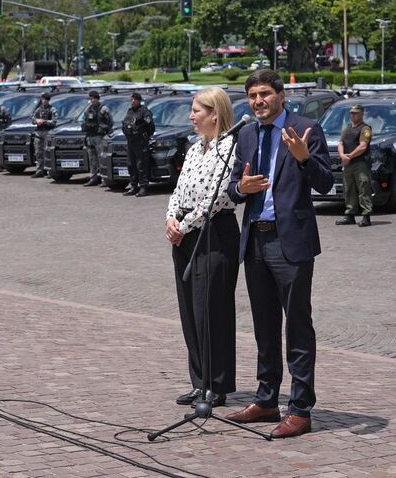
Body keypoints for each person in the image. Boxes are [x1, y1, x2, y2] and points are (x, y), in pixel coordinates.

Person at [225, 69, 333, 439]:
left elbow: (325, 182)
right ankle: (267, 398)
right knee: (264, 326)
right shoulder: (246, 133)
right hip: (255, 239)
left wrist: (303, 157)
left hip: (292, 243)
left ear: (281, 95)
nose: (258, 102)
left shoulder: (306, 129)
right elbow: (234, 188)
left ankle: (300, 409)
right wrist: (240, 186)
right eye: (253, 95)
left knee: (298, 325)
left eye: (265, 94)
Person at [165, 87, 239, 409]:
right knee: (190, 311)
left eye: (197, 111)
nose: (191, 116)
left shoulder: (229, 148)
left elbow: (217, 196)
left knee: (211, 310)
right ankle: (199, 381)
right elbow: (178, 189)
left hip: (214, 233)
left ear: (215, 115)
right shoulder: (195, 149)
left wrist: (185, 224)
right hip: (185, 234)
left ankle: (217, 385)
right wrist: (170, 218)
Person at [336, 104, 372, 227]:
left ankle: (366, 216)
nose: (353, 115)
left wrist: (349, 156)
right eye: (352, 113)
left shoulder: (365, 129)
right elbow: (340, 142)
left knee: (363, 189)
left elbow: (363, 146)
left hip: (360, 164)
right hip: (348, 164)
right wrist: (342, 155)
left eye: (356, 113)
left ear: (362, 114)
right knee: (349, 189)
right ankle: (350, 215)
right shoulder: (347, 128)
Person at [121, 92, 155, 197]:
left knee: (141, 165)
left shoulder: (144, 112)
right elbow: (125, 124)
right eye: (131, 99)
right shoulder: (130, 111)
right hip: (131, 142)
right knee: (131, 165)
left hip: (141, 142)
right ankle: (133, 186)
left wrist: (144, 136)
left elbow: (151, 127)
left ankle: (143, 187)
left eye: (134, 100)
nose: (132, 101)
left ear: (139, 100)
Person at [81, 90, 113, 186]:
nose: (92, 100)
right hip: (90, 137)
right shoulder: (88, 109)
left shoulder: (104, 109)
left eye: (94, 98)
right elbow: (83, 121)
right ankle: (93, 178)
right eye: (91, 98)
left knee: (102, 159)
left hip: (99, 137)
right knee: (92, 159)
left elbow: (110, 123)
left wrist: (102, 129)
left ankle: (104, 179)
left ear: (98, 99)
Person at [30, 92, 59, 178]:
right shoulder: (39, 109)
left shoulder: (52, 109)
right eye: (43, 99)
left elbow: (54, 122)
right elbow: (32, 119)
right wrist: (37, 121)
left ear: (48, 100)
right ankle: (40, 170)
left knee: (48, 153)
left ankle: (50, 171)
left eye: (45, 99)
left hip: (48, 133)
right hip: (39, 133)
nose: (44, 101)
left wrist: (44, 121)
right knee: (38, 153)